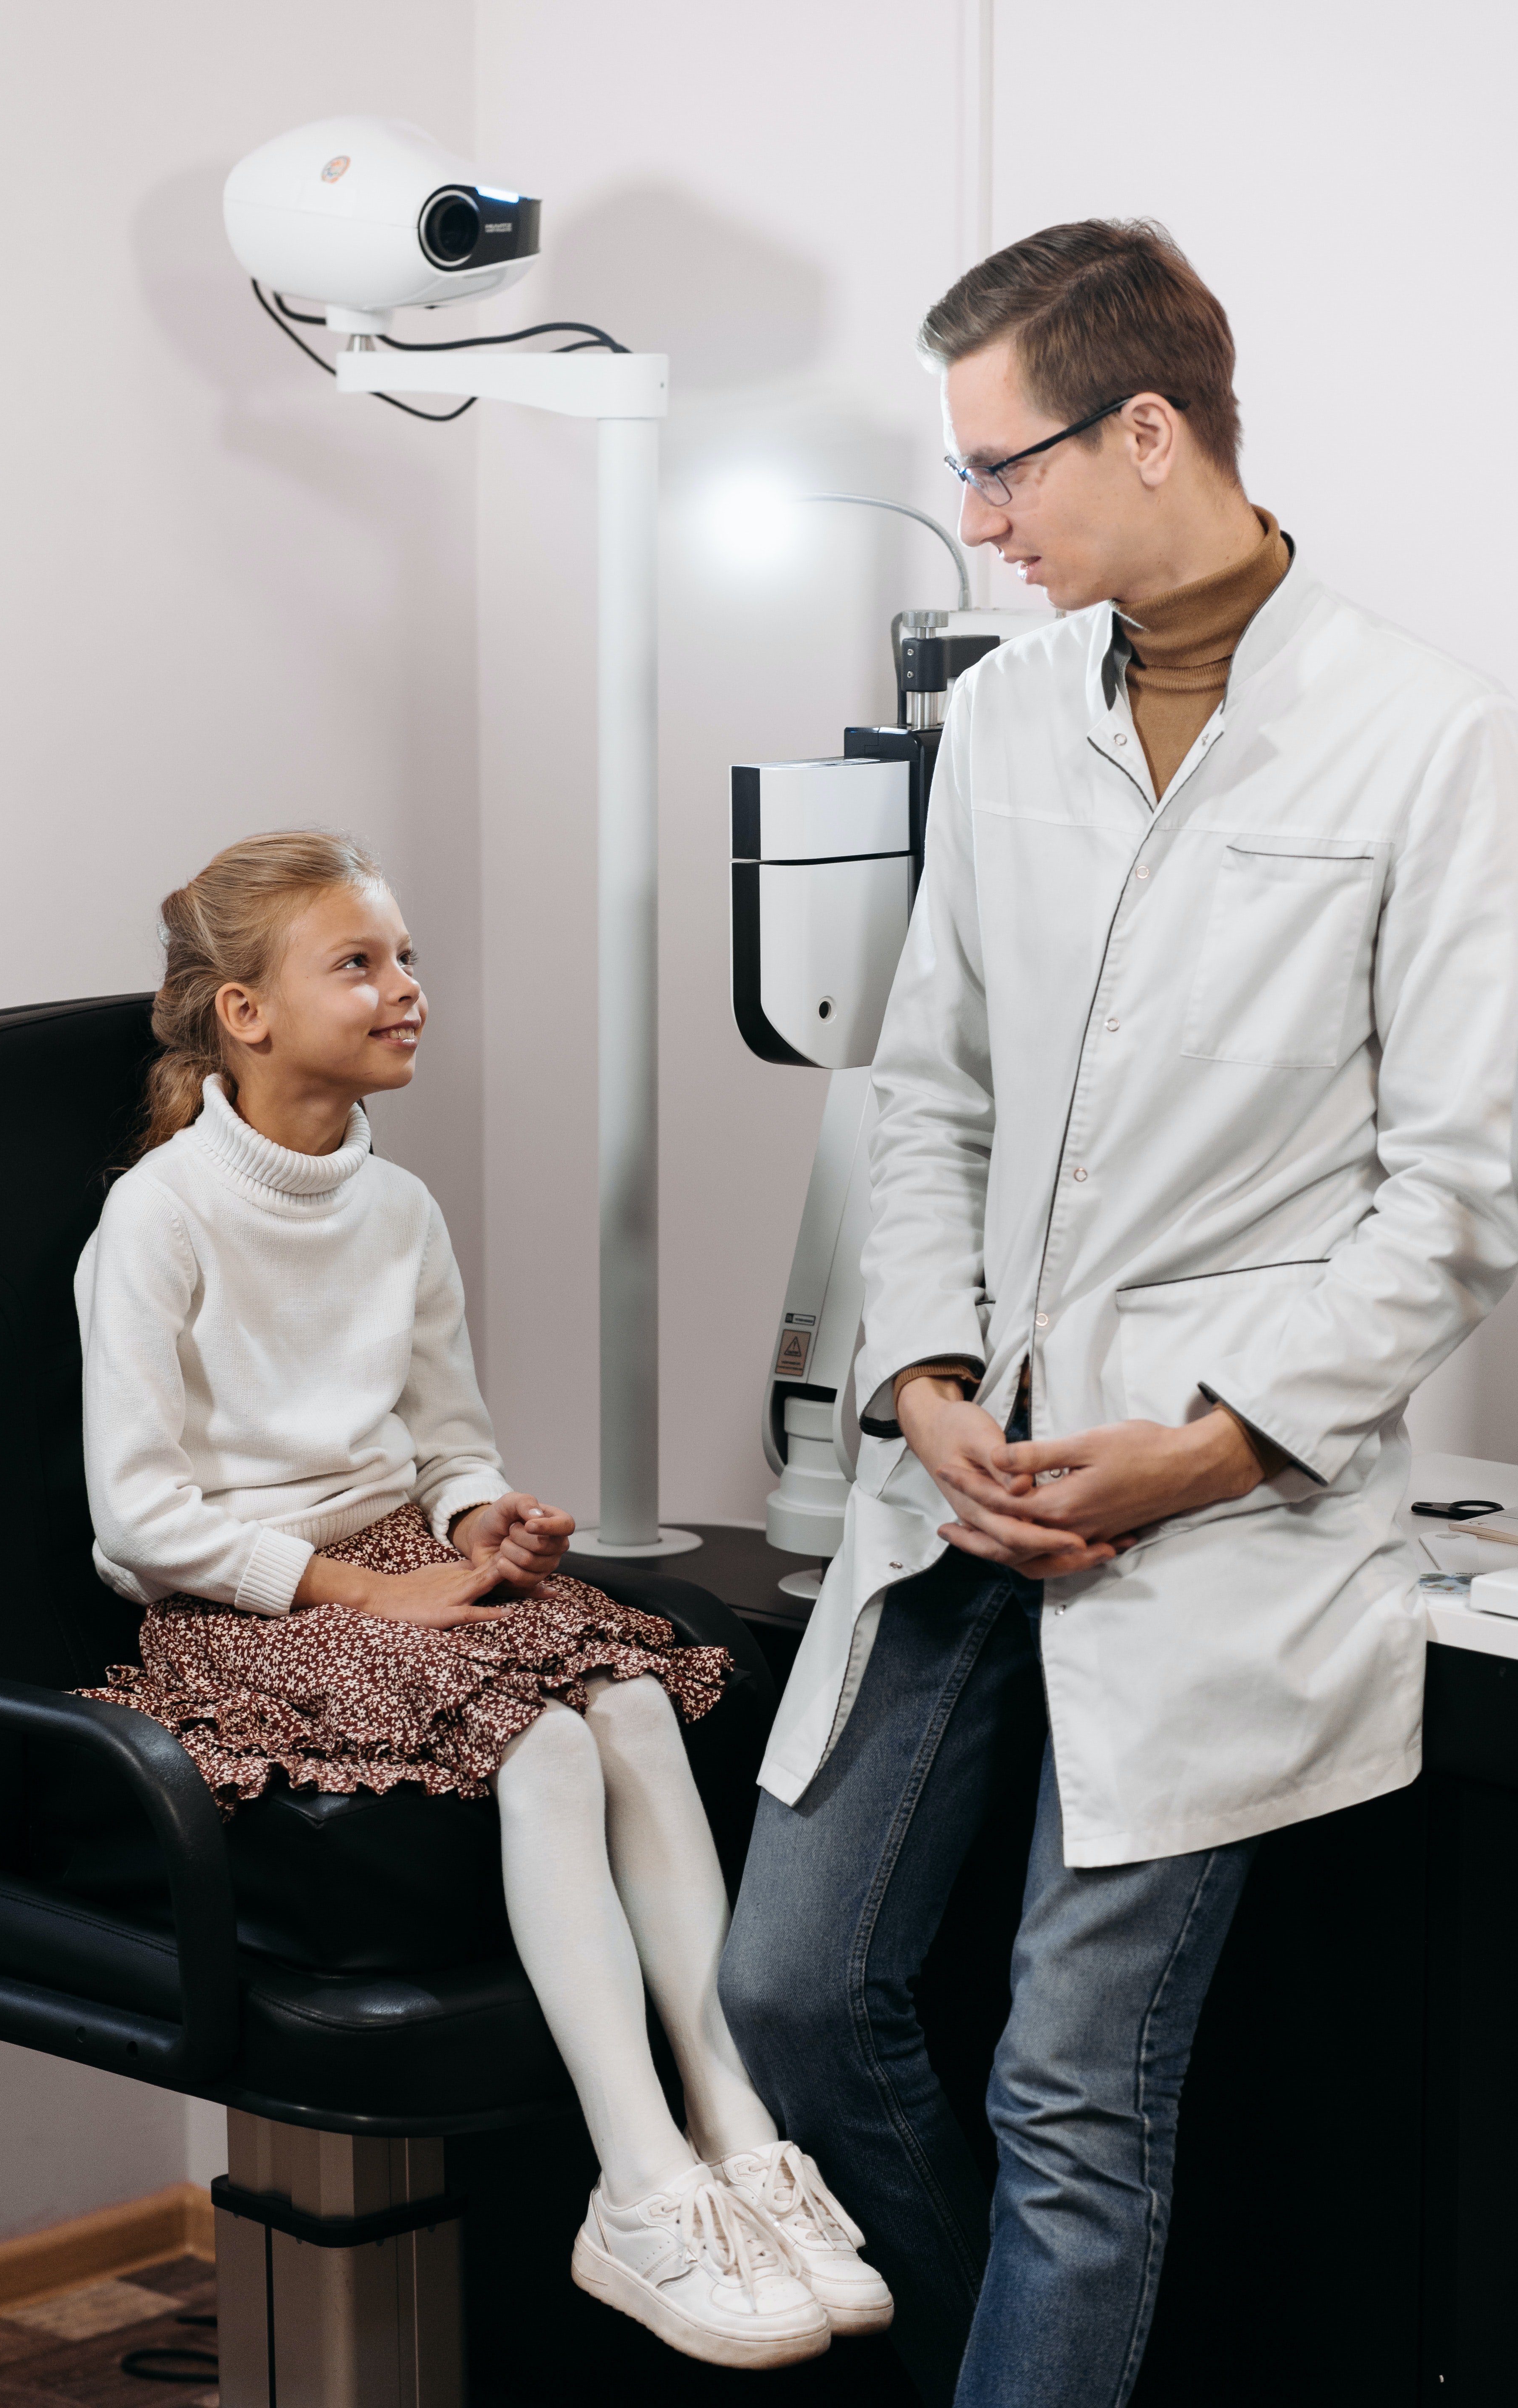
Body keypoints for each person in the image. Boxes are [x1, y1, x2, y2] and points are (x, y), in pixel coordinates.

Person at [719, 218, 1518, 2407]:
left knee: (1072, 2091)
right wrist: (921, 1371)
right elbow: (928, 1089)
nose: (974, 521)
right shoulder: (997, 726)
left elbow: (1457, 1191)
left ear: (1143, 428)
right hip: (967, 1475)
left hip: (1208, 1511)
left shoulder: (1429, 742)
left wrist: (1209, 1444)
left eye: (1002, 471)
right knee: (786, 1987)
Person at [74, 830, 892, 2370]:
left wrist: (483, 1518)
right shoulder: (161, 1217)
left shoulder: (400, 1208)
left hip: (395, 1566)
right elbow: (142, 1516)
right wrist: (360, 1591)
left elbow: (446, 1439)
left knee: (639, 1694)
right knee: (545, 1740)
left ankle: (739, 2134)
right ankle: (637, 2185)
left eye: (408, 959)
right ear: (243, 1012)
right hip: (240, 1604)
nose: (408, 991)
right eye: (362, 963)